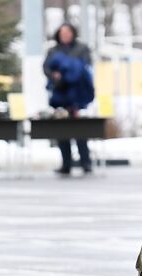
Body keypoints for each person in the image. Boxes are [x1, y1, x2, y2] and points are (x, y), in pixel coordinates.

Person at [43, 24, 95, 175]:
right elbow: (46, 68)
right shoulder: (53, 50)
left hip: (78, 94)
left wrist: (69, 72)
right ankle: (66, 164)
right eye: (62, 33)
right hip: (60, 93)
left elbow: (85, 66)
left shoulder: (82, 48)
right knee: (62, 130)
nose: (65, 35)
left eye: (68, 32)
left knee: (80, 130)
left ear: (73, 33)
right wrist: (54, 75)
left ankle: (85, 162)